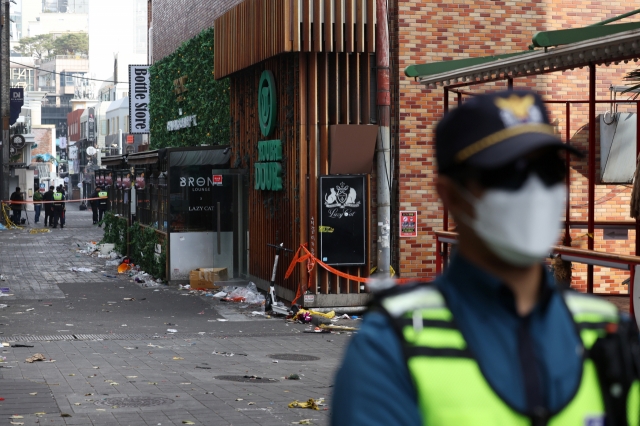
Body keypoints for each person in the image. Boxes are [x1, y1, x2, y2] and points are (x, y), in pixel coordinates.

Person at [331, 90, 640, 426]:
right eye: (507, 174)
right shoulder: (393, 343)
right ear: (451, 195)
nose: (535, 191)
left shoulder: (608, 332)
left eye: (550, 170)